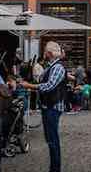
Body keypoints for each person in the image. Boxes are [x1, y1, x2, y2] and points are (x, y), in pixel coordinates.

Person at [21, 42, 66, 172]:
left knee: (53, 140)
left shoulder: (57, 67)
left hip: (53, 107)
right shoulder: (50, 66)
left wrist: (30, 86)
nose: (44, 54)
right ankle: (54, 168)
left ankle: (55, 169)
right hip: (49, 106)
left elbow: (49, 86)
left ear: (50, 53)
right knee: (50, 139)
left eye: (45, 51)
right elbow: (42, 80)